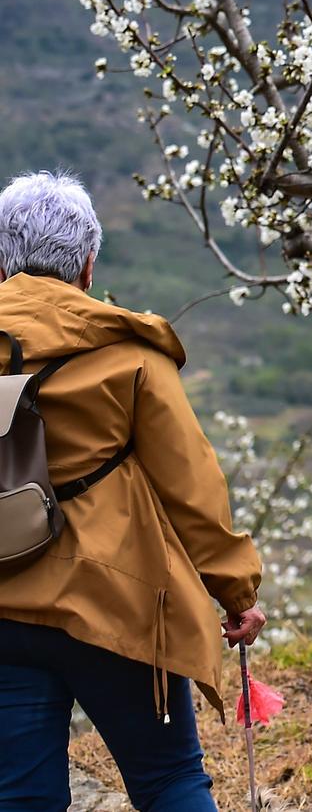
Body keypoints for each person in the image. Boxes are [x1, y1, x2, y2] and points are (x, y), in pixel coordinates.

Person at [0, 171, 265, 812]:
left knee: (19, 799)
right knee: (169, 781)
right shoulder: (129, 355)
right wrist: (236, 590)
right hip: (116, 600)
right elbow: (191, 488)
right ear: (88, 264)